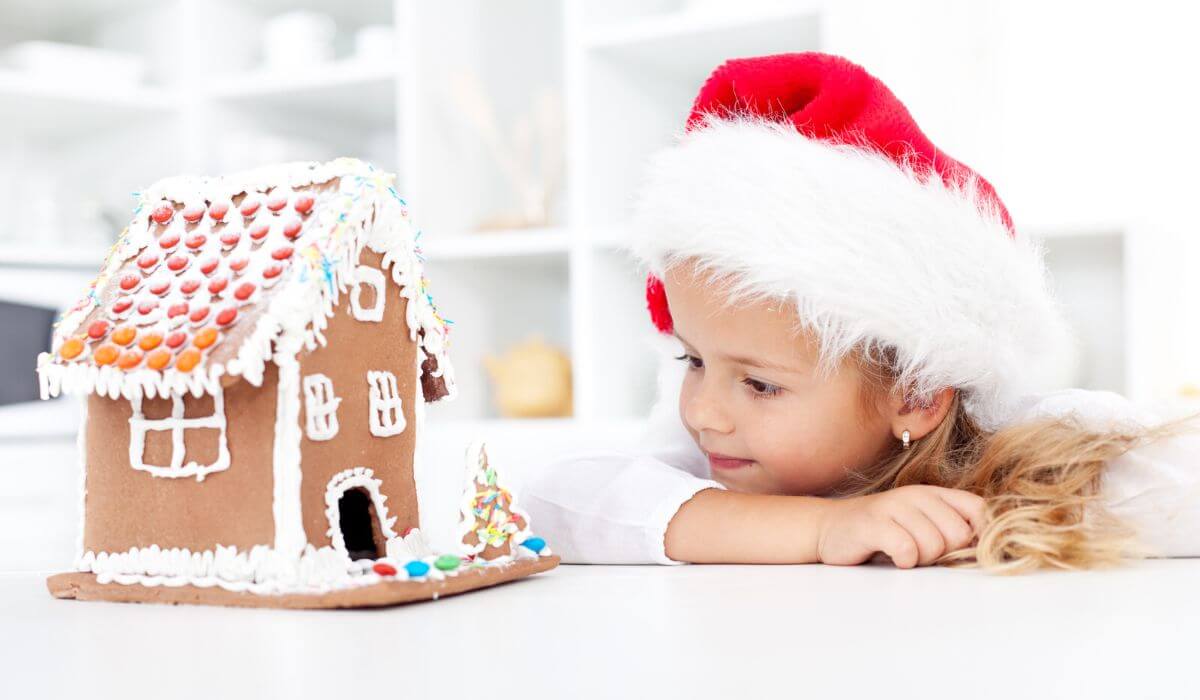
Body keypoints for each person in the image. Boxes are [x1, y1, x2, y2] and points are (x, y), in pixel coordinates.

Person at [520, 52, 1200, 572]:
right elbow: (555, 500)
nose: (703, 411)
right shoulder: (718, 453)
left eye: (759, 383)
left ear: (916, 394)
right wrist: (820, 531)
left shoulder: (1018, 445)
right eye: (694, 359)